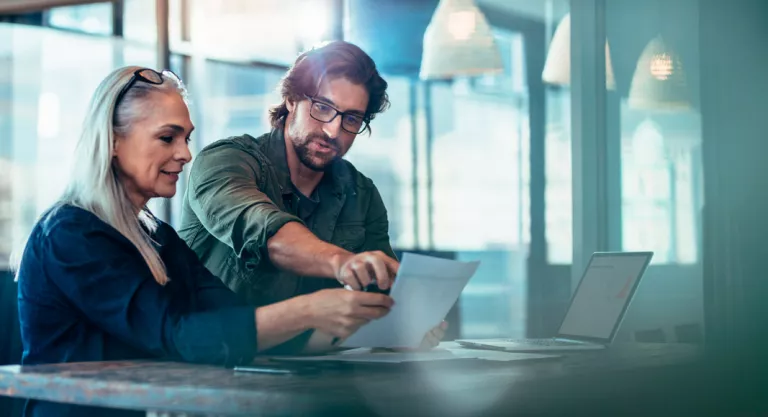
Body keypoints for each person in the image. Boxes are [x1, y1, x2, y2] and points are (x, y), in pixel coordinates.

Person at [15, 66, 394, 417]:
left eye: (186, 138)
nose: (185, 154)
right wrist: (310, 310)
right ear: (113, 141)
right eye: (167, 138)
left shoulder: (156, 237)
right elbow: (178, 335)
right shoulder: (71, 234)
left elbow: (228, 316)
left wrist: (355, 318)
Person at [178, 41, 447, 351]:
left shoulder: (361, 193)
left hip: (312, 369)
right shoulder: (226, 161)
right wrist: (341, 262)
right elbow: (265, 231)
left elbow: (379, 294)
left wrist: (404, 327)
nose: (334, 131)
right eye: (322, 108)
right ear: (292, 99)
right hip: (212, 367)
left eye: (351, 119)